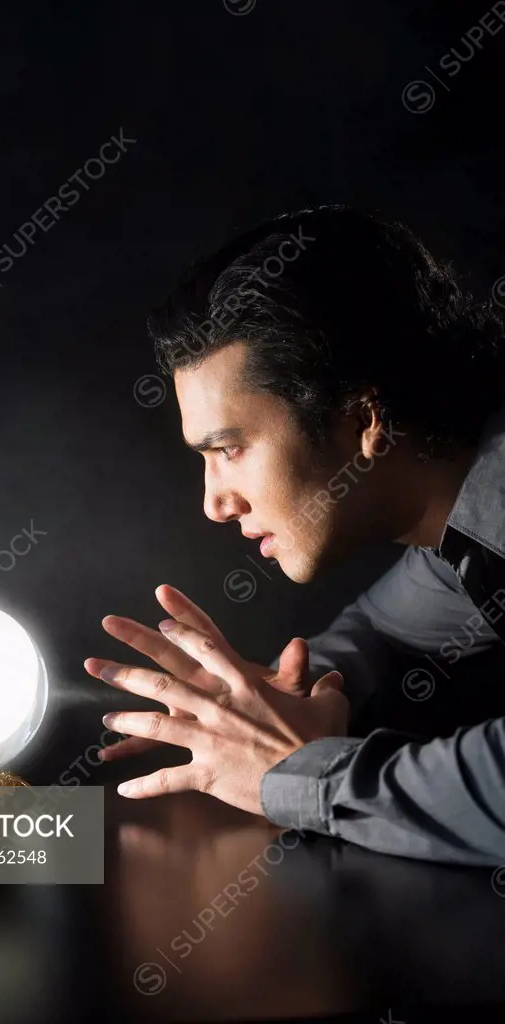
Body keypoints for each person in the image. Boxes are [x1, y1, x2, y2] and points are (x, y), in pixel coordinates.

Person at [83, 203, 505, 866]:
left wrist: (296, 773)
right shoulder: (468, 526)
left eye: (230, 449)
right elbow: (384, 632)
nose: (213, 504)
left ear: (364, 420)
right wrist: (269, 703)